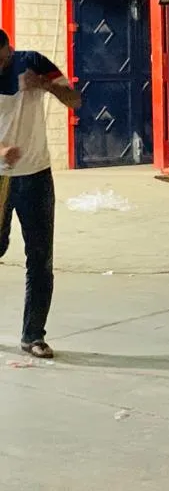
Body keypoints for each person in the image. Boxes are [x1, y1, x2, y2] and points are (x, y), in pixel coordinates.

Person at [0, 29, 81, 359]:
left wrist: (45, 85)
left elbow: (74, 100)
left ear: (9, 49)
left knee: (40, 258)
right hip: (0, 178)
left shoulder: (32, 62)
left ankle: (33, 335)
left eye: (2, 59)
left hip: (36, 176)